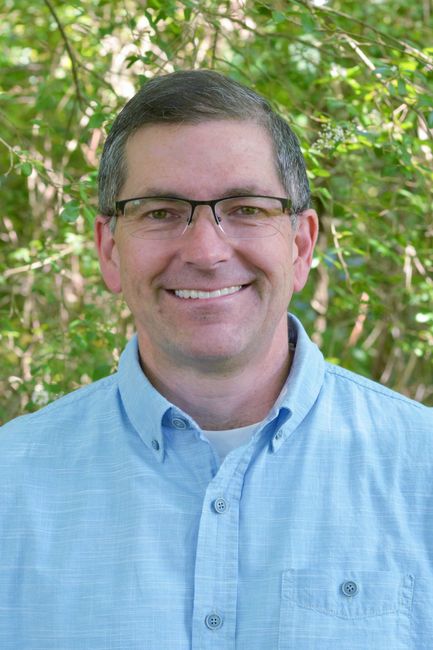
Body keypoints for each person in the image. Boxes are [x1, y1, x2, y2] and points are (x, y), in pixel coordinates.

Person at [0, 69, 431, 650]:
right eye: (160, 212)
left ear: (301, 245)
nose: (206, 252)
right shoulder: (12, 483)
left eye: (246, 208)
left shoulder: (421, 470)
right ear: (108, 250)